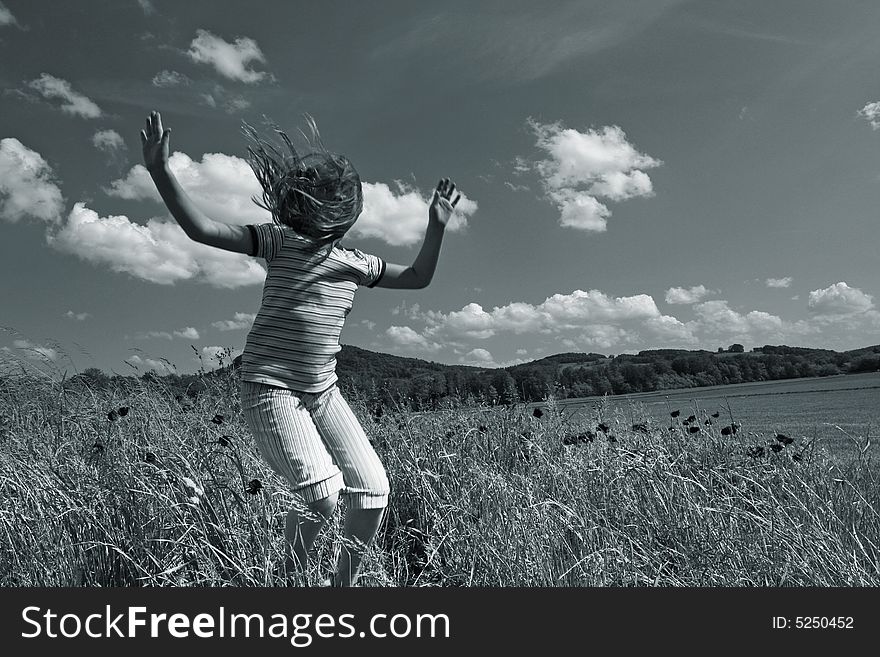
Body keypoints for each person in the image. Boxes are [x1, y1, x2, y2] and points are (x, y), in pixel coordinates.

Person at [140, 111, 460, 587]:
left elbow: (417, 279)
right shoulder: (278, 242)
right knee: (324, 497)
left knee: (372, 491)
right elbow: (203, 230)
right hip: (270, 388)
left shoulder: (357, 263)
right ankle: (289, 577)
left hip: (322, 391)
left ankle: (341, 589)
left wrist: (436, 225)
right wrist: (161, 171)